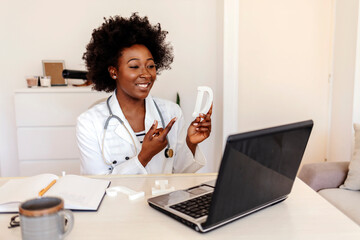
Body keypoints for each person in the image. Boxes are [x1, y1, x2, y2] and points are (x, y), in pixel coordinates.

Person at [77, 13, 212, 175]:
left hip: (163, 199)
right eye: (134, 66)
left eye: (150, 66)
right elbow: (97, 185)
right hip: (119, 201)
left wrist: (191, 143)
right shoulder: (89, 122)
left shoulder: (171, 112)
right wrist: (144, 155)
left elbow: (180, 173)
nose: (146, 74)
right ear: (114, 72)